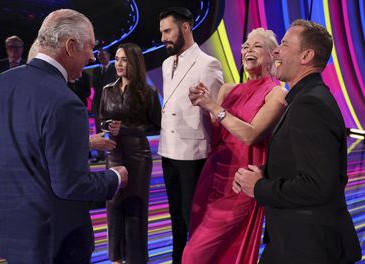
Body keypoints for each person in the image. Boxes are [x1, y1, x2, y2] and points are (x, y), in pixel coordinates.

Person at [0, 9, 128, 264]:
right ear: (70, 46)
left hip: (6, 232)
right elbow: (70, 185)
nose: (91, 57)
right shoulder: (66, 103)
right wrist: (114, 178)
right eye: (89, 48)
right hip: (55, 240)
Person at [234, 19, 361, 264]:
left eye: (283, 44)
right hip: (296, 241)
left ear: (306, 55)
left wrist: (259, 188)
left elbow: (316, 185)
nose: (276, 51)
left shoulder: (309, 105)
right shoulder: (306, 99)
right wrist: (262, 174)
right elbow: (307, 165)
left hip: (308, 246)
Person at [182, 28, 287, 264]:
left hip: (241, 185)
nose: (248, 49)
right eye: (246, 46)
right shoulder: (228, 90)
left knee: (193, 256)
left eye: (257, 46)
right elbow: (215, 135)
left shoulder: (277, 93)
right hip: (212, 178)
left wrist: (212, 107)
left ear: (272, 54)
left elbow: (251, 135)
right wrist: (200, 104)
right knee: (205, 251)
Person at [158, 7, 224, 263]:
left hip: (193, 152)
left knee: (193, 216)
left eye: (167, 31)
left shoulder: (208, 63)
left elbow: (215, 110)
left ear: (185, 27)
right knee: (175, 215)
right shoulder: (165, 64)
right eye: (162, 32)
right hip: (168, 149)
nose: (163, 37)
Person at [99, 43, 161, 264]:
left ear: (134, 62)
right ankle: (116, 258)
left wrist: (125, 129)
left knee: (135, 209)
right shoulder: (107, 90)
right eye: (117, 59)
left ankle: (136, 260)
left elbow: (156, 125)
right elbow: (102, 119)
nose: (119, 63)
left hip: (138, 155)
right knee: (114, 206)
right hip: (114, 154)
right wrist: (107, 127)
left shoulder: (147, 92)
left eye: (124, 59)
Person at [92, 48, 117, 163]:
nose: (101, 58)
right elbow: (95, 86)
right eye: (99, 56)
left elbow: (112, 85)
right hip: (98, 104)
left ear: (108, 56)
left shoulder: (114, 68)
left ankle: (114, 153)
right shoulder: (96, 70)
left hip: (111, 104)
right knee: (99, 130)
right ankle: (101, 155)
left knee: (112, 128)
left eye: (103, 55)